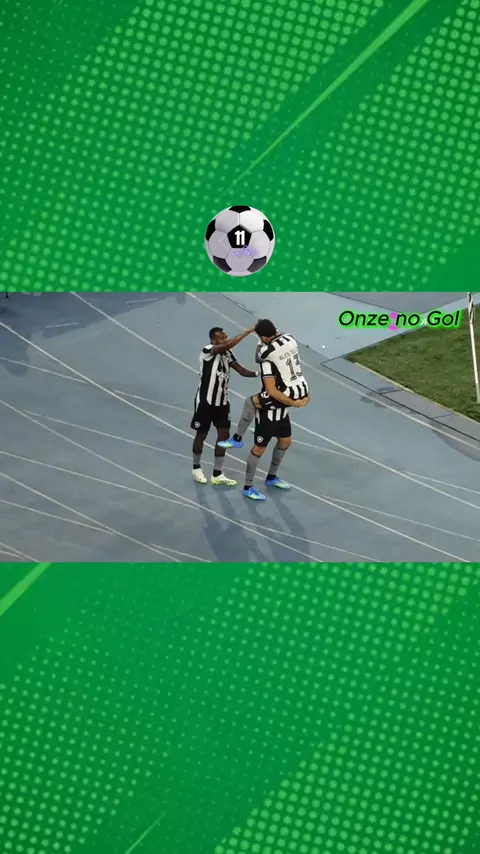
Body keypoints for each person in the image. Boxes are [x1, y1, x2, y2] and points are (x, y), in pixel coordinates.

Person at [219, 319, 310, 500]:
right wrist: (300, 399)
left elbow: (260, 359)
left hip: (281, 406)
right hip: (273, 407)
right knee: (260, 446)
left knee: (285, 441)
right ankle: (248, 487)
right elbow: (271, 390)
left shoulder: (266, 355)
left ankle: (270, 476)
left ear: (263, 338)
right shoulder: (288, 341)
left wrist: (294, 402)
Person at [191, 324, 259, 486]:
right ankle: (196, 467)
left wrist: (260, 374)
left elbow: (241, 371)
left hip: (222, 403)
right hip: (205, 402)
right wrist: (247, 332)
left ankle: (217, 473)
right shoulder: (208, 351)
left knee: (223, 436)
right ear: (213, 339)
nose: (225, 339)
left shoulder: (227, 353)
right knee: (201, 434)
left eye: (225, 337)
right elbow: (226, 346)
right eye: (222, 337)